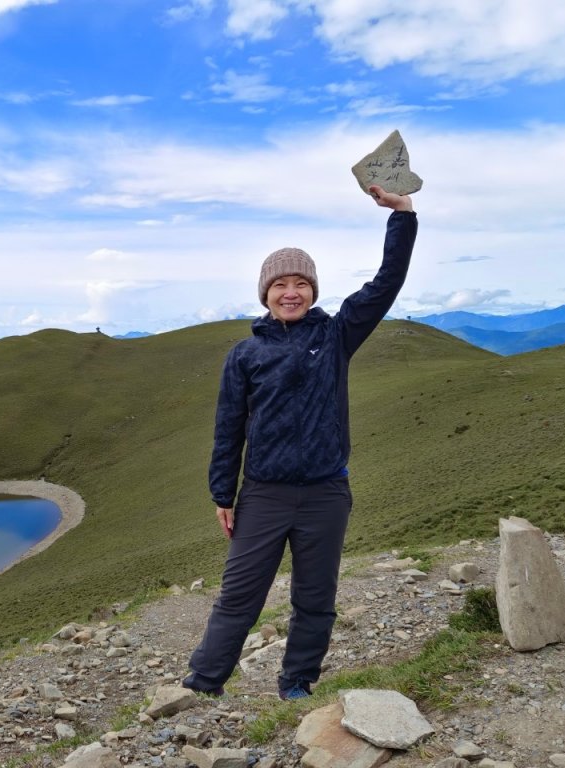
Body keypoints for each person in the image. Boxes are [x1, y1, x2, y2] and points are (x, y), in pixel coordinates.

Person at [183, 184, 417, 701]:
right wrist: (223, 495)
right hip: (264, 493)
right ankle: (204, 682)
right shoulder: (244, 355)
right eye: (280, 285)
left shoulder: (335, 336)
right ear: (265, 294)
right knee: (239, 596)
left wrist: (402, 214)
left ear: (313, 291)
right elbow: (228, 429)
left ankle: (297, 683)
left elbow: (385, 284)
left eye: (301, 284)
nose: (292, 292)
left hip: (325, 492)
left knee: (316, 598)